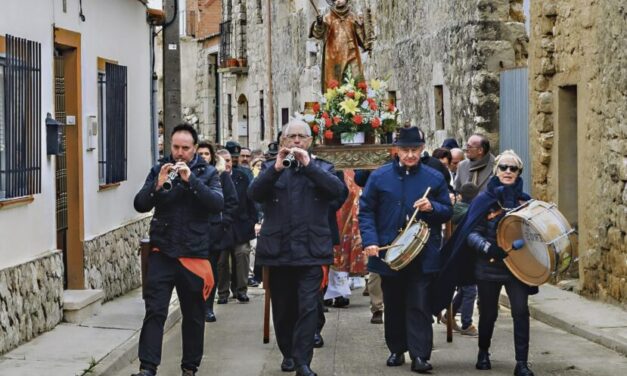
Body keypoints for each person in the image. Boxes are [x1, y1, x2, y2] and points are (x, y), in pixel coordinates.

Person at [249, 119, 345, 376]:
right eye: (291, 136)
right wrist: (275, 170)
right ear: (282, 140)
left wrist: (310, 166)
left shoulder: (323, 168)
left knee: (309, 307)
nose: (296, 141)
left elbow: (338, 192)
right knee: (282, 309)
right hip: (278, 251)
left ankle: (303, 361)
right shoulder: (270, 168)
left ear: (310, 141)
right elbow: (254, 195)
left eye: (302, 136)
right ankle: (288, 353)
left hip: (312, 251)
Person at [359, 127, 453, 373]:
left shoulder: (434, 178)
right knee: (394, 301)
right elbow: (366, 211)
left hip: (422, 253)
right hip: (388, 253)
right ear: (396, 150)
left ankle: (420, 355)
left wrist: (432, 207)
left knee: (419, 303)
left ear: (422, 150)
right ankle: (396, 348)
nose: (410, 155)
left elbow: (448, 211)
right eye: (405, 150)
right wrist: (370, 240)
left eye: (415, 150)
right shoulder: (379, 177)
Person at [132, 124, 224, 376]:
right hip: (162, 251)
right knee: (155, 310)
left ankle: (189, 367)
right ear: (169, 146)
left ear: (194, 149)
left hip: (193, 254)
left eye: (185, 148)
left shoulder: (207, 173)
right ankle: (147, 367)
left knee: (193, 314)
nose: (179, 153)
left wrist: (191, 180)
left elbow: (217, 203)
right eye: (176, 147)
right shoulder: (158, 169)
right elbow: (140, 204)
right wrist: (157, 186)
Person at [434, 150, 535, 376]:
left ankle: (522, 363)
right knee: (489, 312)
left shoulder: (526, 201)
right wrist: (488, 247)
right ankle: (483, 352)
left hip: (516, 266)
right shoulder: (484, 199)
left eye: (513, 168)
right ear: (496, 170)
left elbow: (535, 235)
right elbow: (471, 233)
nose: (508, 172)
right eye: (503, 167)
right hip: (488, 265)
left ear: (519, 172)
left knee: (520, 310)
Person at [196, 142, 239, 322]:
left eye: (206, 153)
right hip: (194, 230)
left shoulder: (221, 175)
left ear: (212, 156)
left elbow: (232, 201)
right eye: (200, 153)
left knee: (210, 270)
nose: (204, 156)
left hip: (214, 230)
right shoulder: (189, 174)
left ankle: (207, 307)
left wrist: (224, 223)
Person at [215, 148, 257, 304]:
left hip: (241, 225)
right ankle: (223, 292)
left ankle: (241, 290)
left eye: (228, 160)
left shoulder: (242, 176)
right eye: (222, 160)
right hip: (222, 227)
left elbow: (250, 200)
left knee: (242, 253)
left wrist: (253, 220)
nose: (226, 164)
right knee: (222, 260)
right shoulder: (214, 178)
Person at [309, 0, 374, 91]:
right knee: (335, 88)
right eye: (335, 0)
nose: (338, 1)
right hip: (334, 58)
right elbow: (318, 33)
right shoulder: (327, 18)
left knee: (357, 84)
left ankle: (359, 103)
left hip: (352, 55)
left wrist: (362, 25)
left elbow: (362, 39)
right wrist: (319, 24)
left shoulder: (352, 16)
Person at [444, 182, 480, 336]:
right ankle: (467, 324)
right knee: (470, 289)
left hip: (463, 254)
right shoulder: (469, 211)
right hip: (462, 255)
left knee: (466, 288)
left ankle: (449, 315)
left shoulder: (461, 208)